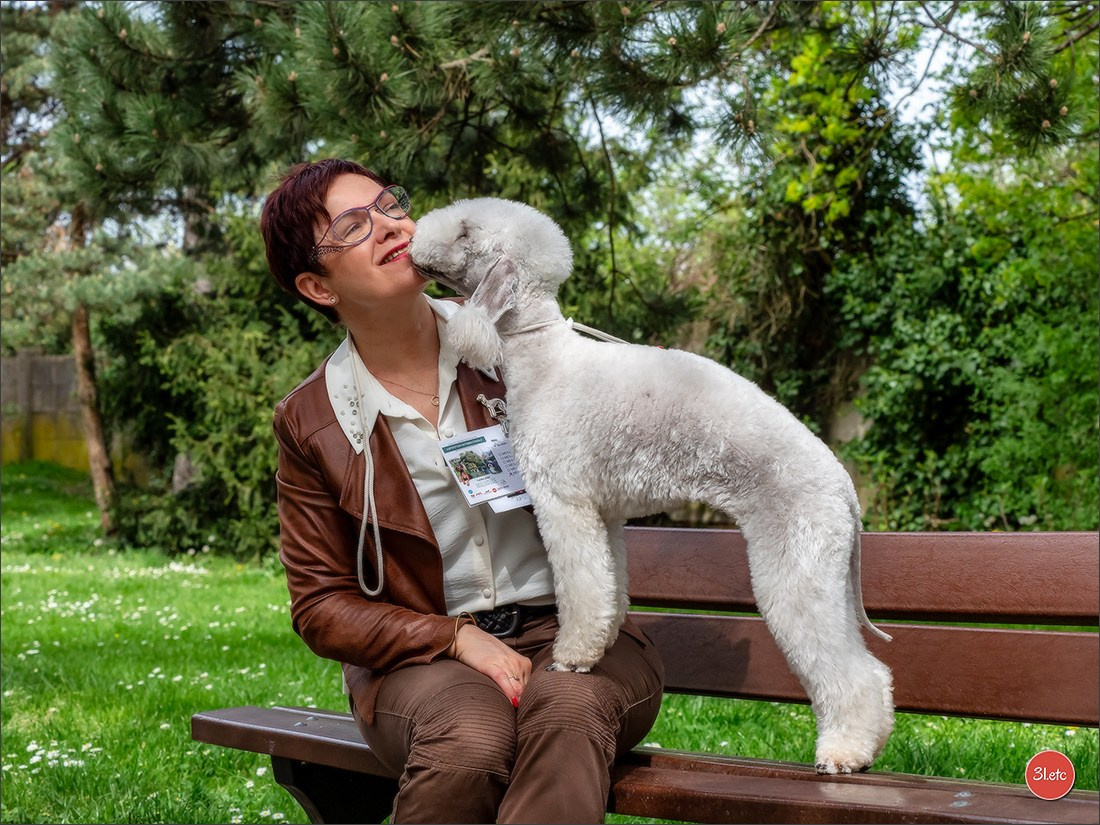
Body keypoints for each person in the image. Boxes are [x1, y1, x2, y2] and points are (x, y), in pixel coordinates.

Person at [259, 158, 665, 824]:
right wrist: (454, 638)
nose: (392, 226)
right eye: (356, 224)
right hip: (423, 659)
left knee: (566, 706)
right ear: (317, 285)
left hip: (579, 630)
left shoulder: (518, 340)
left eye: (391, 205)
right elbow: (321, 606)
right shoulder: (313, 419)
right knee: (469, 738)